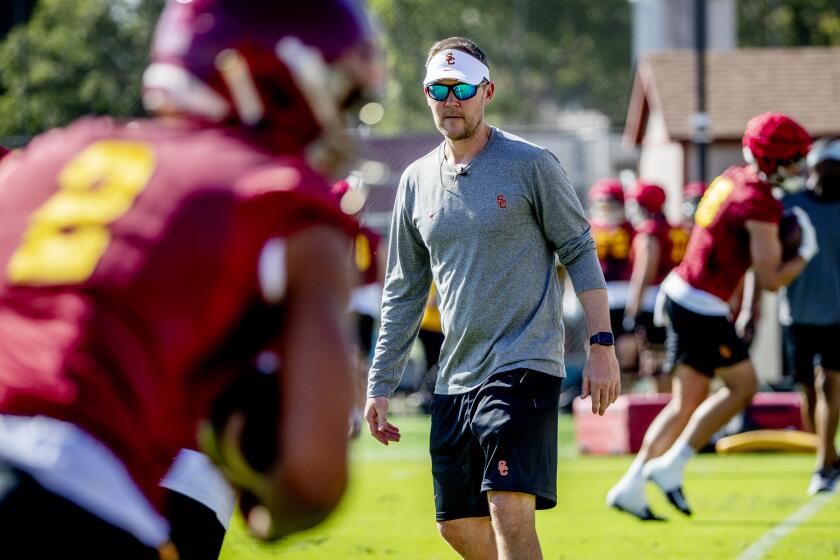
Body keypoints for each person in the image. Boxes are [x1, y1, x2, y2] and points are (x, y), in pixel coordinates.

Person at [0, 1, 382, 557]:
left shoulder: (46, 158)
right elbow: (312, 478)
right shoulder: (281, 198)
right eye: (341, 94)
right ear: (284, 79)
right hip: (64, 498)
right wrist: (263, 499)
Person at [364, 36, 620, 559]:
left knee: (507, 505)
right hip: (456, 375)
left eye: (462, 88)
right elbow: (403, 292)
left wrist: (602, 344)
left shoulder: (531, 164)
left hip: (524, 364)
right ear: (426, 93)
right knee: (457, 525)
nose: (450, 99)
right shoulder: (414, 182)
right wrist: (380, 383)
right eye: (440, 88)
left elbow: (579, 250)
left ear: (487, 91)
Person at [607, 112, 817, 520]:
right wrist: (805, 250)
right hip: (700, 305)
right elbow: (772, 277)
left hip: (687, 295)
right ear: (773, 160)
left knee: (686, 402)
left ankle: (632, 484)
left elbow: (747, 263)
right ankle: (671, 465)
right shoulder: (758, 201)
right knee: (744, 386)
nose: (799, 168)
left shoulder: (733, 177)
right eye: (793, 159)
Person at [779, 138, 840, 495]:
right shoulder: (790, 204)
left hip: (836, 315)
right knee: (809, 391)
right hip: (796, 314)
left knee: (828, 381)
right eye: (826, 167)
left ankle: (822, 465)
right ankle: (829, 455)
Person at [624, 180, 685, 392]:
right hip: (676, 298)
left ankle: (660, 407)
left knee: (656, 361)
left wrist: (633, 308)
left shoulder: (649, 231)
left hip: (653, 302)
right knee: (671, 358)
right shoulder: (674, 227)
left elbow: (645, 271)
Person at [588, 178, 638, 375]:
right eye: (602, 204)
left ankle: (625, 382)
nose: (606, 209)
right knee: (595, 340)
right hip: (597, 294)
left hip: (625, 293)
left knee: (626, 343)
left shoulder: (631, 229)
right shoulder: (589, 227)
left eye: (611, 204)